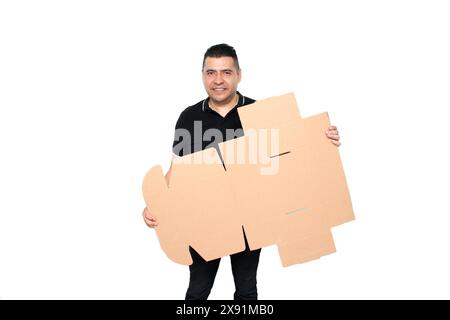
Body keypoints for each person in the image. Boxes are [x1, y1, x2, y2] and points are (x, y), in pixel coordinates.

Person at [143, 44, 341, 300]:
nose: (218, 80)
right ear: (202, 75)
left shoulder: (259, 114)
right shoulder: (189, 118)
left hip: (250, 221)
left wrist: (322, 139)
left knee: (247, 291)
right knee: (197, 291)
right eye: (211, 73)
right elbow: (176, 172)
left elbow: (293, 156)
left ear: (239, 74)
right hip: (203, 221)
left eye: (226, 72)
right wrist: (155, 205)